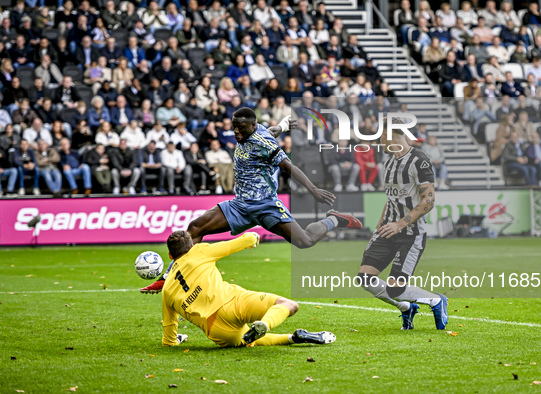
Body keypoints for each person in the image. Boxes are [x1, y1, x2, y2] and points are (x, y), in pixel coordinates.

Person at [141, 109, 361, 294]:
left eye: (241, 128)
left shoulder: (264, 143)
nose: (236, 131)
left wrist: (313, 190)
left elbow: (288, 166)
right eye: (235, 127)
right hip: (240, 205)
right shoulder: (256, 131)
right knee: (195, 228)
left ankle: (333, 220)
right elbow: (270, 130)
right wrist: (282, 126)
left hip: (266, 205)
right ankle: (170, 276)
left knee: (305, 241)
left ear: (253, 126)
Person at [161, 230, 336, 347]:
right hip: (233, 301)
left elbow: (169, 333)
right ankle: (265, 323)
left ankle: (293, 337)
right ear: (191, 246)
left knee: (248, 339)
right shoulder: (198, 251)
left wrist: (174, 341)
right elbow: (243, 241)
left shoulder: (167, 289)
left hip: (217, 329)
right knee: (288, 304)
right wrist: (253, 237)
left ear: (170, 255)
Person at [357, 118, 448, 331]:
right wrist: (377, 230)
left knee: (395, 288)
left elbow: (429, 200)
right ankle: (406, 308)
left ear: (390, 135)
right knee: (365, 279)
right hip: (387, 230)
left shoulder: (419, 159)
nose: (379, 139)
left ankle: (436, 300)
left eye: (381, 135)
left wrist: (400, 224)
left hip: (410, 233)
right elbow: (391, 200)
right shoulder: (388, 161)